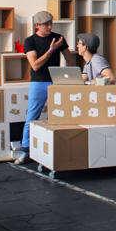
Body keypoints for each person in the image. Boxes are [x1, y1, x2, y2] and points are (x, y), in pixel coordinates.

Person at [15, 11, 74, 165]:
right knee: (31, 118)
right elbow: (35, 65)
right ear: (37, 25)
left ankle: (61, 149)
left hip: (56, 82)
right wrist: (51, 50)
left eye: (50, 24)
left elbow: (69, 60)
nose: (49, 27)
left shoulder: (58, 38)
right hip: (38, 82)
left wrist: (67, 78)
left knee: (61, 116)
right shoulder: (30, 41)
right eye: (46, 25)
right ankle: (25, 151)